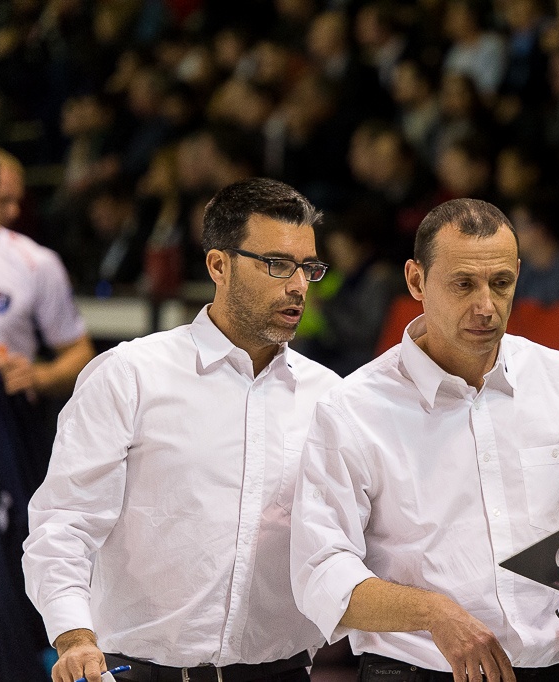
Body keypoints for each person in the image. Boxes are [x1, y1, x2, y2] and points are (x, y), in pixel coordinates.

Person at [291, 198, 559, 682]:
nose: (486, 307)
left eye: (501, 284)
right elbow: (318, 575)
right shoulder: (354, 408)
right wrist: (434, 614)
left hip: (544, 668)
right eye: (463, 285)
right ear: (416, 281)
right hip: (414, 670)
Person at [22, 178, 342, 682]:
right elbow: (63, 524)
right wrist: (74, 636)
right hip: (143, 669)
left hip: (282, 671)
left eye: (309, 268)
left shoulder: (331, 397)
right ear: (219, 265)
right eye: (278, 265)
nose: (298, 285)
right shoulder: (130, 374)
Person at [0, 148, 95, 681]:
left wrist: (41, 376)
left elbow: (79, 351)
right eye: (4, 195)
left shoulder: (33, 264)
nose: (14, 205)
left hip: (0, 442)